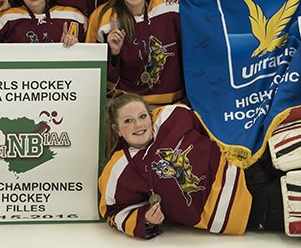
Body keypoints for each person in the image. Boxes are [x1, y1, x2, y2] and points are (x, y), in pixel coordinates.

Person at [98, 92, 283, 239]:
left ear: (150, 115)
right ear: (117, 129)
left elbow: (213, 125)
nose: (138, 125)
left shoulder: (172, 116)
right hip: (239, 205)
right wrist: (146, 221)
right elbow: (113, 211)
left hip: (247, 163)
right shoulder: (119, 169)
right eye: (128, 121)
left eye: (142, 116)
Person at [86, 0, 184, 106]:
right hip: (124, 103)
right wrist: (114, 54)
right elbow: (93, 74)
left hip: (171, 103)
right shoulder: (103, 18)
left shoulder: (168, 4)